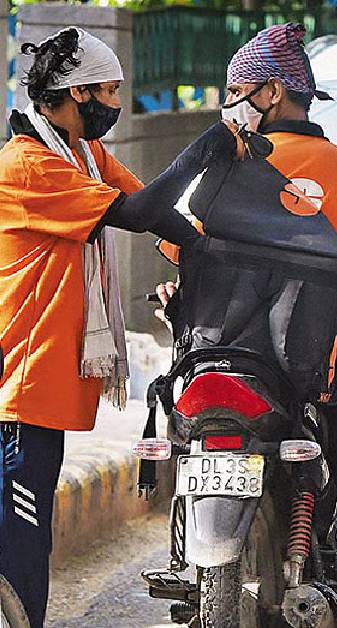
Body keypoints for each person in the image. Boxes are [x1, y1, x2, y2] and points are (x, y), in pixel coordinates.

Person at [169, 23, 337, 628]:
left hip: (215, 366)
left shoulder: (222, 164)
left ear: (272, 92)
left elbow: (180, 262)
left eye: (236, 91)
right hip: (313, 380)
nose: (229, 104)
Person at [0, 27, 234, 627]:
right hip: (19, 389)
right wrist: (211, 141)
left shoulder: (83, 155)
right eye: (107, 91)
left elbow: (162, 214)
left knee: (29, 535)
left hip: (43, 386)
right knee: (20, 541)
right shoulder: (30, 166)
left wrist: (224, 253)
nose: (115, 104)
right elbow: (135, 212)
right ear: (76, 93)